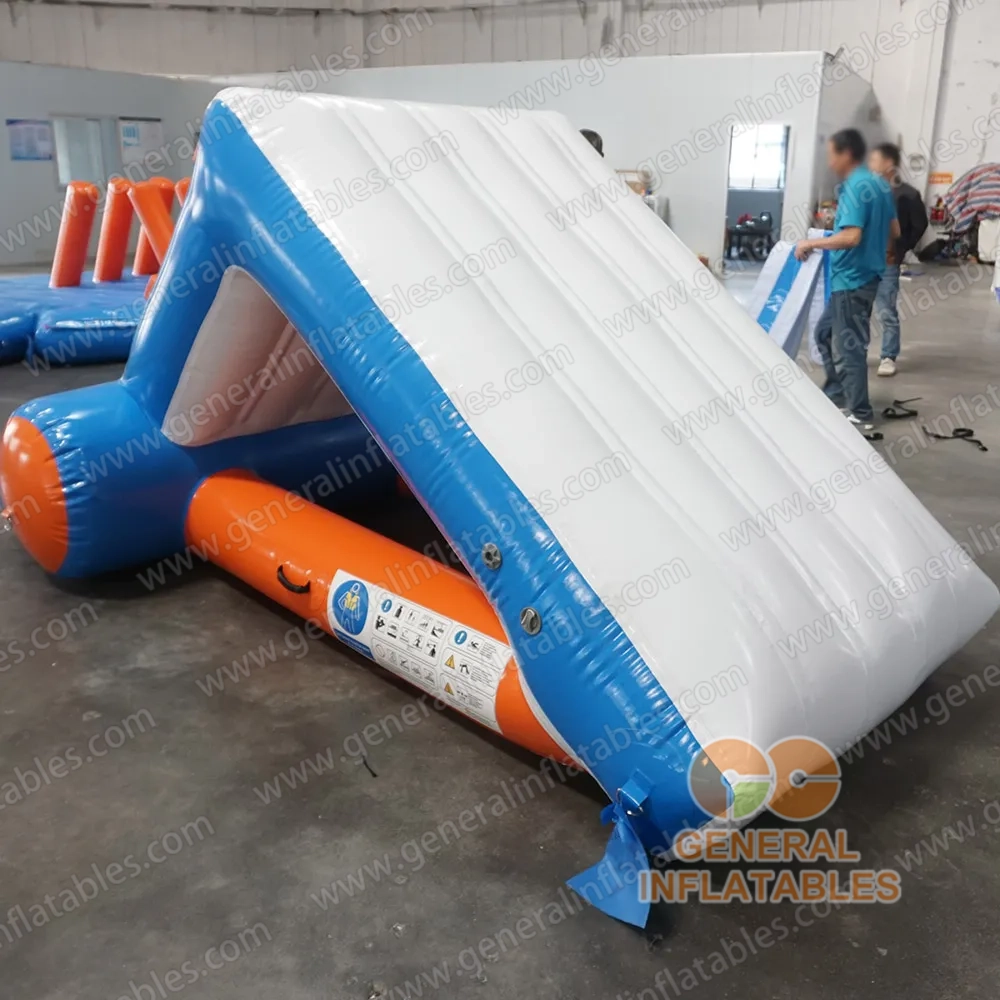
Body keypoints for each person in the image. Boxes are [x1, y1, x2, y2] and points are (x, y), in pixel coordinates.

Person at [795, 129, 899, 431]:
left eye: (832, 155)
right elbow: (894, 231)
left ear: (847, 154)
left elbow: (852, 237)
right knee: (825, 333)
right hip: (867, 276)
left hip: (851, 281)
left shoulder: (855, 186)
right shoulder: (880, 185)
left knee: (847, 347)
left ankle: (860, 412)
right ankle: (838, 393)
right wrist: (880, 253)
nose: (830, 163)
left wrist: (811, 243)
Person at [867, 142, 928, 376]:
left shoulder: (907, 195)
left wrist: (901, 248)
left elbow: (919, 225)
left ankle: (888, 356)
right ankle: (857, 352)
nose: (871, 165)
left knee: (886, 311)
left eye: (875, 160)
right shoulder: (867, 192)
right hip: (864, 262)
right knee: (860, 310)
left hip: (888, 262)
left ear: (888, 163)